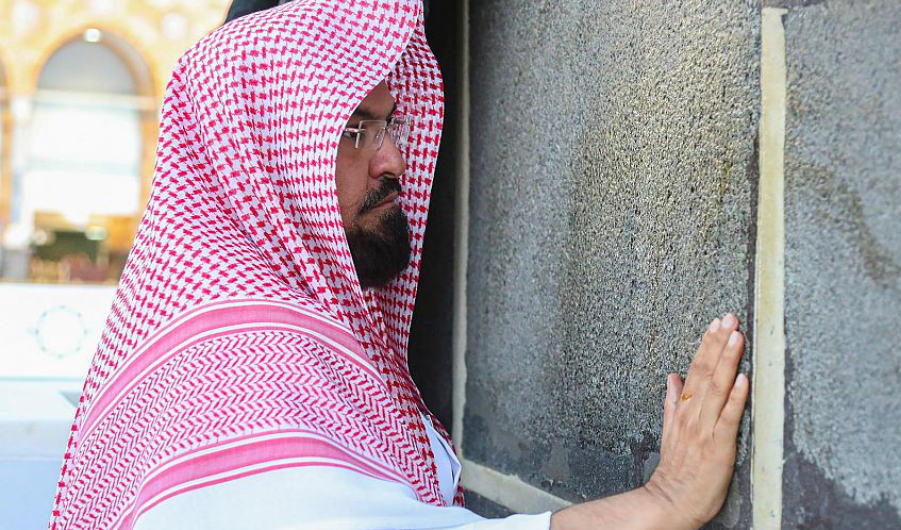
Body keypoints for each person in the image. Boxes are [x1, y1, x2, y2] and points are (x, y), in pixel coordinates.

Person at [48, 1, 749, 528]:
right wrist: (663, 503)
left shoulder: (241, 336)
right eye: (354, 130)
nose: (394, 161)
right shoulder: (237, 367)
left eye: (390, 124)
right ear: (263, 157)